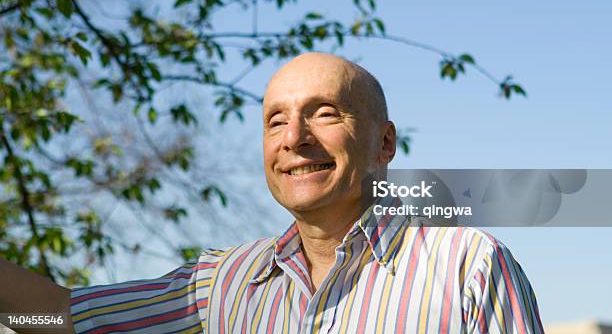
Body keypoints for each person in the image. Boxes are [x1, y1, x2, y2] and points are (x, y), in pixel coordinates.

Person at [0, 52, 543, 333]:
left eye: (324, 113)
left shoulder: (468, 265)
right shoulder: (223, 286)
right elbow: (57, 320)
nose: (294, 139)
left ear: (385, 142)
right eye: (274, 120)